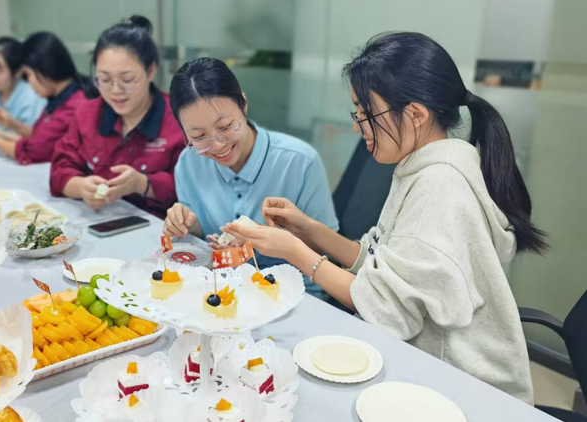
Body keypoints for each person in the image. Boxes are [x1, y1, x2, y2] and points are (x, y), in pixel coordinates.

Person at [221, 32, 547, 404]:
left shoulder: (439, 186)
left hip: (465, 388)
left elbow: (387, 311)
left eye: (366, 113)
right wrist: (309, 230)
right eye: (357, 112)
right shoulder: (423, 165)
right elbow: (383, 266)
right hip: (430, 365)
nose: (358, 126)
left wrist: (294, 251)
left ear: (416, 115)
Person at [163, 57, 339, 299]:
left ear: (243, 104)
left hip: (297, 296)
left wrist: (274, 240)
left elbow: (330, 251)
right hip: (222, 292)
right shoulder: (188, 163)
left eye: (226, 127)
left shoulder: (300, 162)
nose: (217, 145)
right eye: (199, 136)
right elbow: (199, 237)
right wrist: (186, 224)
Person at [50, 16, 185, 218]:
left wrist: (143, 184)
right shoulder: (88, 114)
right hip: (100, 221)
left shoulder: (179, 120)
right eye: (104, 79)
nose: (115, 90)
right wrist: (81, 187)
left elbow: (194, 189)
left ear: (150, 71)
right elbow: (60, 169)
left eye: (127, 79)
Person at [0, 32, 90, 164]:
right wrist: (11, 125)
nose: (29, 81)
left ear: (46, 69)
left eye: (29, 74)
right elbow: (40, 137)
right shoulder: (58, 98)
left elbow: (33, 152)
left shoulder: (74, 105)